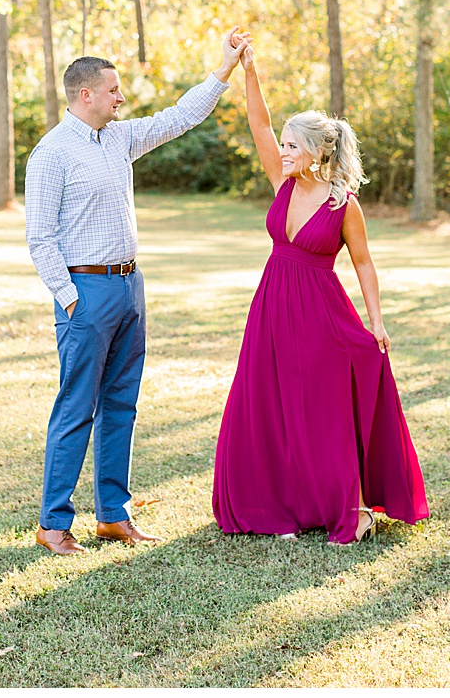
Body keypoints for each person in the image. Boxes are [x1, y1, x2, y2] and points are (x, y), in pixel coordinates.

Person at [25, 31, 249, 555]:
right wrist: (69, 295)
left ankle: (113, 517)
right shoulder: (51, 153)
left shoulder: (120, 138)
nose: (120, 98)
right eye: (113, 90)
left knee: (121, 404)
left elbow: (178, 117)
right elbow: (39, 237)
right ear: (86, 95)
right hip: (85, 292)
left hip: (130, 287)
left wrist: (223, 70)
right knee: (76, 407)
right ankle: (53, 524)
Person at [211, 40, 428, 543]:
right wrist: (250, 72)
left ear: (317, 151)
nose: (282, 151)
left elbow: (365, 263)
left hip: (321, 313)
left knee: (320, 408)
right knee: (269, 401)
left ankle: (351, 507)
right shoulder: (280, 181)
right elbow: (259, 126)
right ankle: (279, 508)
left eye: (291, 145)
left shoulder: (343, 205)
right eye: (283, 144)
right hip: (270, 307)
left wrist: (376, 322)